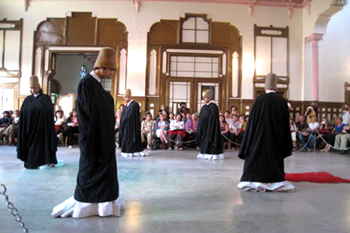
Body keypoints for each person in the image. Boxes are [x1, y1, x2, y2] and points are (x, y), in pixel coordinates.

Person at [52, 47, 124, 218]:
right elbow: (87, 115)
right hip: (94, 137)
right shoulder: (86, 84)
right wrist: (94, 137)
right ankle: (90, 201)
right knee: (91, 168)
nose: (112, 74)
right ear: (101, 67)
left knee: (104, 169)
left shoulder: (96, 85)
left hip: (103, 137)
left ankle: (104, 201)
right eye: (111, 70)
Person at [237, 73, 295, 192]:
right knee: (275, 158)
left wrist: (250, 136)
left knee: (256, 156)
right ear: (276, 87)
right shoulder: (282, 101)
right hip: (276, 138)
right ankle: (274, 179)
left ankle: (256, 178)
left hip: (260, 137)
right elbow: (285, 123)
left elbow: (252, 121)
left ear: (265, 87)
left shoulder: (260, 99)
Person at [17, 75, 58, 169]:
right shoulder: (28, 100)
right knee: (30, 145)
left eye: (35, 88)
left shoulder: (46, 98)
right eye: (31, 88)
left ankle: (44, 161)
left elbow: (48, 113)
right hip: (30, 128)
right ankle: (29, 161)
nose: (33, 90)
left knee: (42, 144)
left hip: (42, 127)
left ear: (39, 87)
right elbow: (23, 113)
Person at [119, 89, 149, 157]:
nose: (125, 99)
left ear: (129, 97)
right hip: (126, 126)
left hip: (132, 126)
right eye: (124, 97)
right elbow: (123, 116)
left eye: (126, 97)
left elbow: (132, 116)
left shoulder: (134, 105)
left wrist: (125, 120)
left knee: (131, 138)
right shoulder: (126, 106)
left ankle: (132, 151)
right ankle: (126, 150)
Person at [196, 89, 224, 160]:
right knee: (204, 139)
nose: (205, 99)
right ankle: (204, 152)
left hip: (211, 127)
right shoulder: (203, 107)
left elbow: (213, 118)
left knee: (212, 139)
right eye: (204, 98)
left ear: (209, 98)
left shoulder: (213, 106)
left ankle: (212, 153)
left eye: (206, 98)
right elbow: (201, 118)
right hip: (204, 128)